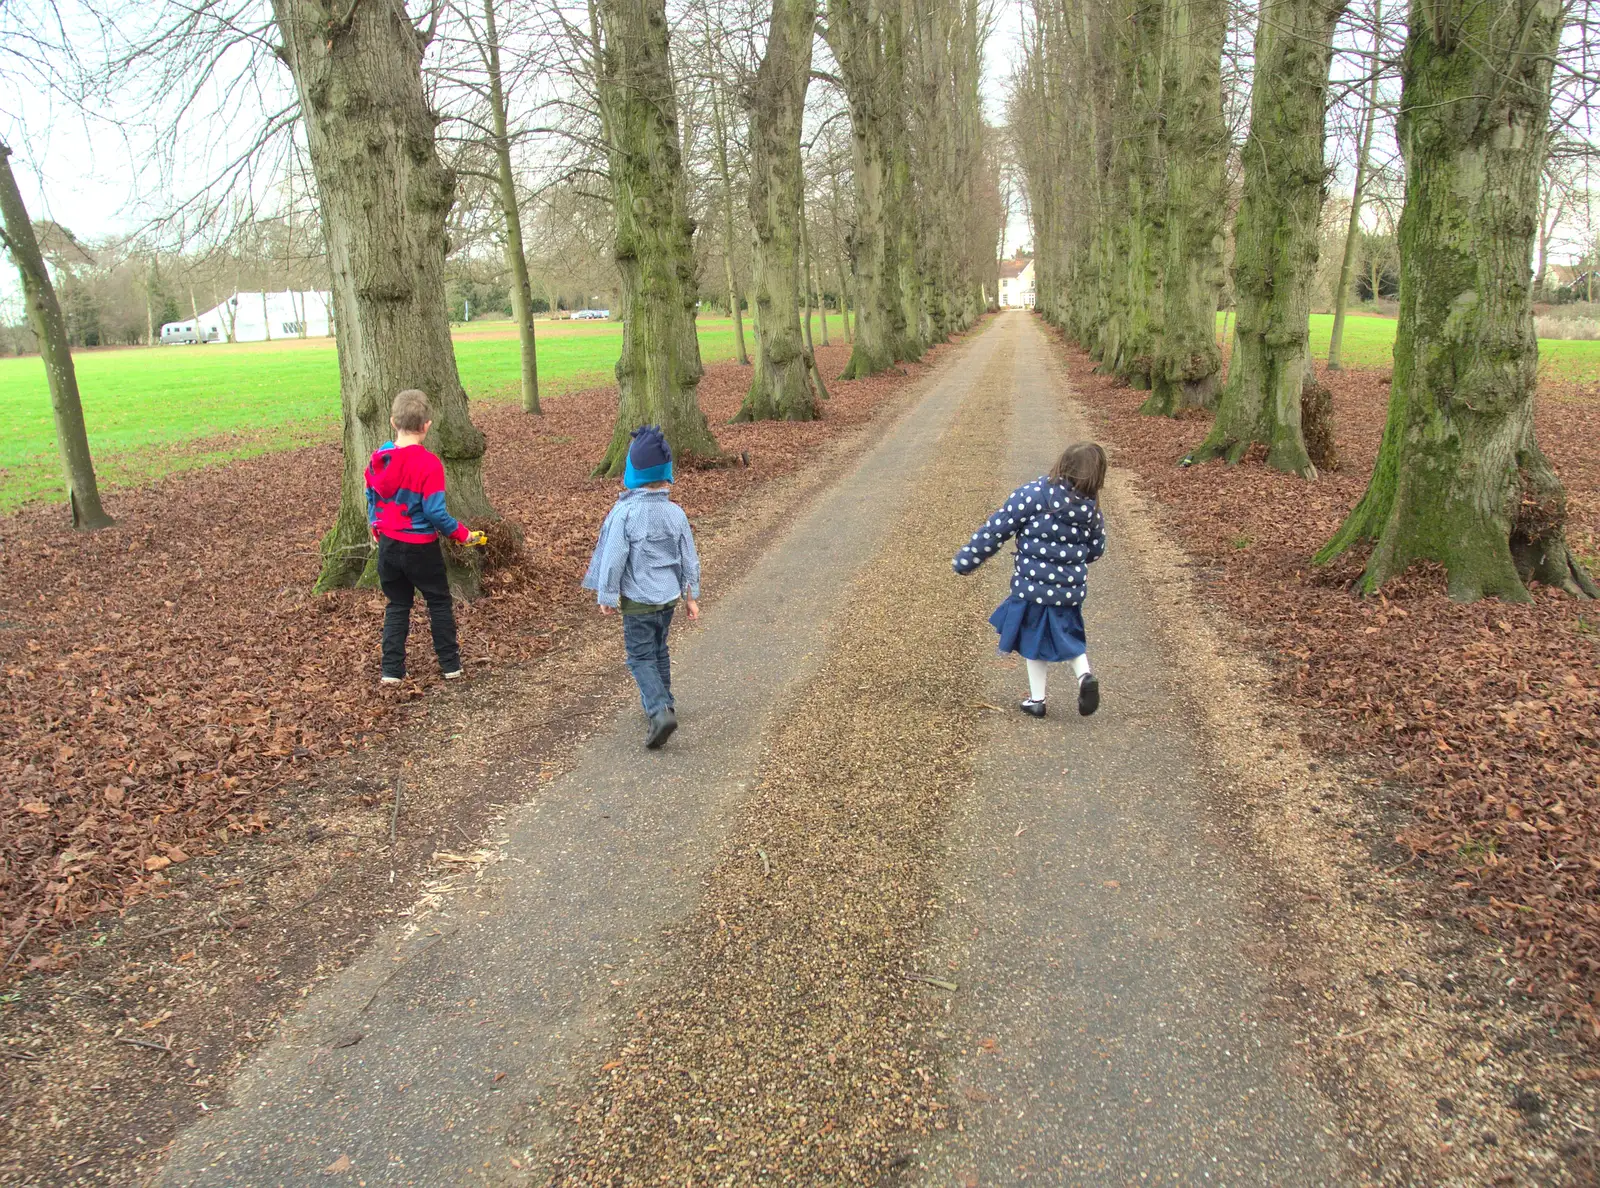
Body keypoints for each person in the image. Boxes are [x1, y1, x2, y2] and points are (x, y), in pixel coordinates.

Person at [953, 441, 1108, 719]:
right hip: (1068, 593)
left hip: (1032, 588)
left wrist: (968, 559)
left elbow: (997, 528)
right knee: (1069, 637)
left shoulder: (1034, 494)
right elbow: (1096, 550)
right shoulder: (1091, 511)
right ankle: (1084, 676)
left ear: (1061, 465)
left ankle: (1037, 700)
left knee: (1033, 642)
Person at [582, 425, 702, 749]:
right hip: (668, 599)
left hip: (638, 600)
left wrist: (606, 594)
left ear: (631, 473)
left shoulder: (625, 513)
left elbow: (614, 558)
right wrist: (691, 596)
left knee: (640, 657)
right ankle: (665, 701)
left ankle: (659, 710)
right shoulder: (676, 513)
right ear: (667, 474)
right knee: (659, 649)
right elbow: (688, 557)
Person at [365, 388, 485, 685]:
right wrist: (463, 535)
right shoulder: (429, 464)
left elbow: (371, 498)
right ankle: (450, 665)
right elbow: (434, 512)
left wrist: (376, 528)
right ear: (427, 425)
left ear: (394, 422)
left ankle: (391, 671)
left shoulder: (379, 459)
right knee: (438, 602)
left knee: (397, 605)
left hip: (389, 546)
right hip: (420, 547)